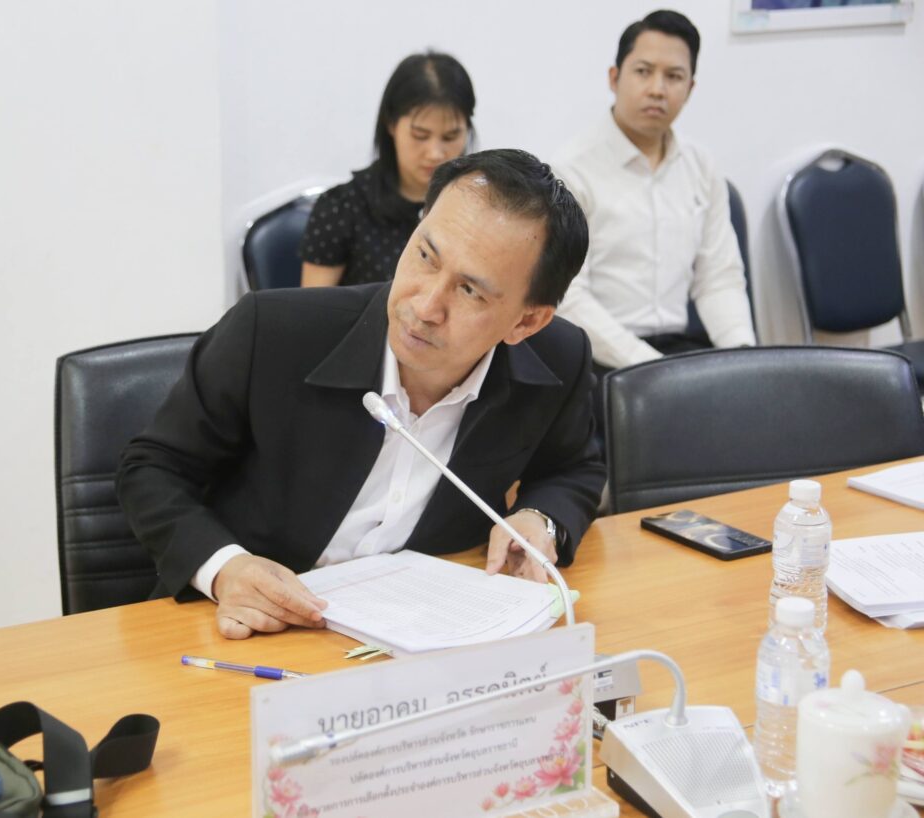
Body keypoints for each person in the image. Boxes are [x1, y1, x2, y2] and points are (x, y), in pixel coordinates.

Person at [117, 149, 605, 640]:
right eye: (425, 256)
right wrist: (226, 567)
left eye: (470, 291)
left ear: (526, 321)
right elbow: (152, 468)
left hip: (425, 633)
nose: (426, 306)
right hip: (254, 626)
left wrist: (540, 518)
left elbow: (573, 467)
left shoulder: (557, 361)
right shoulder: (273, 332)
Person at [553, 9, 755, 382]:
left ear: (690, 89)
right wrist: (651, 368)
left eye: (674, 76)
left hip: (680, 350)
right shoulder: (571, 171)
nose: (657, 89)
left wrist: (744, 358)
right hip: (600, 360)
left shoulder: (701, 166)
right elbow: (570, 298)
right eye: (643, 71)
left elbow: (718, 279)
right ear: (614, 78)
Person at [299, 51, 475, 287]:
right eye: (420, 135)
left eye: (450, 136)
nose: (435, 153)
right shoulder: (342, 209)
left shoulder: (479, 209)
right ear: (391, 124)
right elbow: (315, 306)